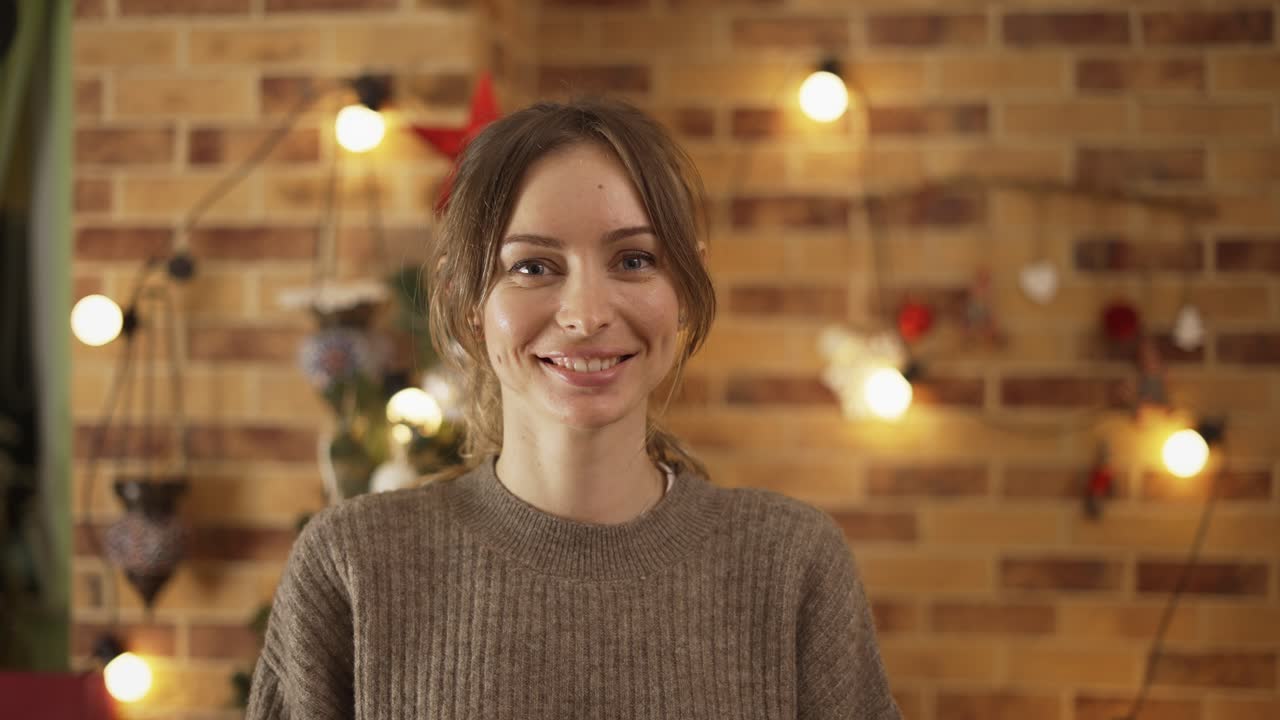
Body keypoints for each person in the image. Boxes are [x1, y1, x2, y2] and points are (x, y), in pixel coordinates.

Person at [246, 97, 902, 719]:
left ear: (685, 288)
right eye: (533, 267)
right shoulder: (352, 565)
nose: (586, 315)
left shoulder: (791, 564)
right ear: (467, 300)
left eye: (634, 260)